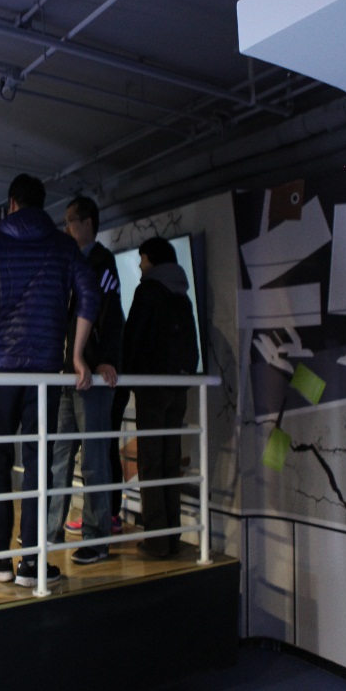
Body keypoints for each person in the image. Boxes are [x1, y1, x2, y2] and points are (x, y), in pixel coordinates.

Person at [0, 173, 99, 587]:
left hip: (2, 370)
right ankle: (32, 562)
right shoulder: (64, 245)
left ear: (11, 204)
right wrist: (76, 355)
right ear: (43, 205)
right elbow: (90, 294)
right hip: (45, 373)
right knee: (39, 463)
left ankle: (0, 557)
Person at [47, 196, 123, 564]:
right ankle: (50, 530)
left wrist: (106, 359)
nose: (66, 228)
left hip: (90, 374)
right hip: (68, 373)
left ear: (89, 222)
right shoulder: (71, 262)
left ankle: (97, 537)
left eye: (71, 221)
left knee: (93, 459)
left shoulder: (102, 263)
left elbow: (111, 314)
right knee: (60, 456)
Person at [121, 236, 199, 558]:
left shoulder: (148, 291)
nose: (140, 265)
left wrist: (126, 377)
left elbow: (133, 338)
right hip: (177, 388)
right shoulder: (182, 294)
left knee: (151, 463)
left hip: (152, 389)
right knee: (169, 462)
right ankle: (172, 537)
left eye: (142, 258)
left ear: (152, 259)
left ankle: (156, 541)